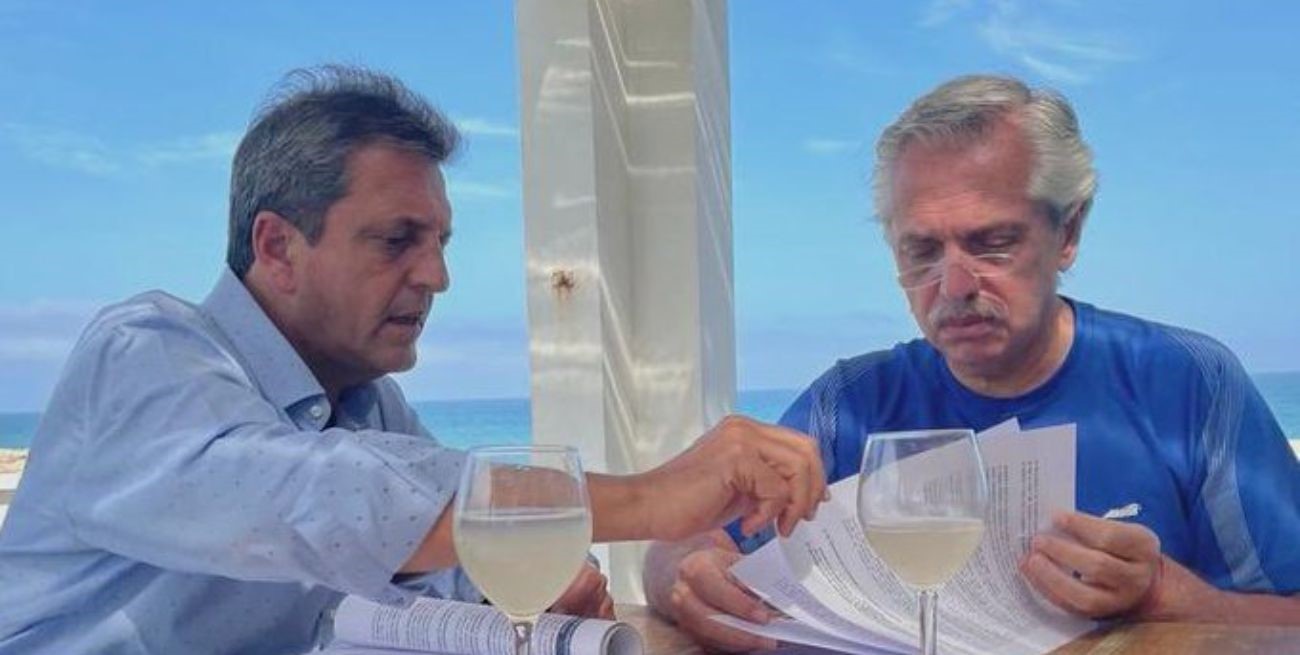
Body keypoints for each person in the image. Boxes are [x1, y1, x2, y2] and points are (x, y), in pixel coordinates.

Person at [0, 65, 827, 655]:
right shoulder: (144, 352)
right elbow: (313, 500)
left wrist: (526, 589)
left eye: (439, 242)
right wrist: (649, 498)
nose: (436, 275)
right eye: (398, 240)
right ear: (277, 246)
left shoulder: (367, 403)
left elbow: (429, 574)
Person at [644, 74, 1300, 651]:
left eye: (993, 242)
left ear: (1069, 232)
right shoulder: (848, 405)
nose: (953, 286)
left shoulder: (1190, 385)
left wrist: (1162, 593)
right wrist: (686, 574)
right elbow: (683, 544)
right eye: (921, 251)